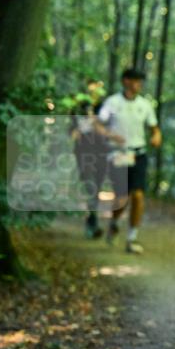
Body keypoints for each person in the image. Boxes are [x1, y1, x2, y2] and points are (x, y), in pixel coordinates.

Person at [95, 68, 162, 254]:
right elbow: (98, 124)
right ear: (125, 81)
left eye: (140, 81)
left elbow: (154, 127)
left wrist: (156, 136)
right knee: (122, 197)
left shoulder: (145, 105)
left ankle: (132, 238)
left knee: (138, 194)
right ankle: (114, 223)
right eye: (135, 80)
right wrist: (110, 135)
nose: (138, 84)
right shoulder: (112, 102)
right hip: (118, 154)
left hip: (138, 153)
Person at [69, 79, 107, 238]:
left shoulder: (106, 108)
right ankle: (93, 222)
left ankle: (91, 219)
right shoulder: (77, 109)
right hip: (84, 153)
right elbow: (72, 133)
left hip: (101, 153)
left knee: (96, 188)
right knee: (90, 185)